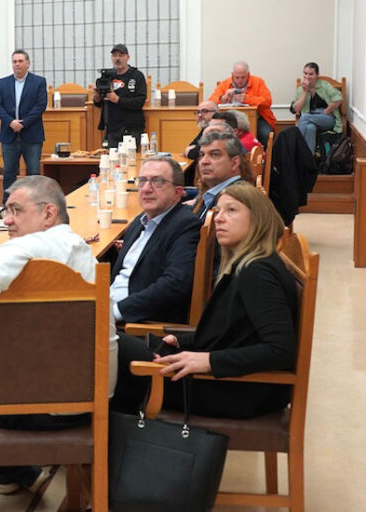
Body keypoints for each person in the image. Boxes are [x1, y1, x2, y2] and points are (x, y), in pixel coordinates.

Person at [0, 175, 118, 495]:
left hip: (39, 407)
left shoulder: (32, 245)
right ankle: (15, 469)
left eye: (16, 210)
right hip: (93, 399)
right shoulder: (80, 249)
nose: (7, 220)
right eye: (6, 211)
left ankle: (5, 470)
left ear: (48, 214)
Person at [113, 181, 297, 419]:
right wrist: (183, 340)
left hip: (231, 389)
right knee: (114, 346)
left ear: (258, 218)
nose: (219, 218)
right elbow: (234, 330)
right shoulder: (251, 263)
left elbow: (281, 350)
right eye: (218, 211)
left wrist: (209, 361)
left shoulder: (257, 272)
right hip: (221, 376)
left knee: (107, 346)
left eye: (231, 210)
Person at [109, 157, 201, 325]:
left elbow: (175, 284)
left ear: (177, 192)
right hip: (108, 306)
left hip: (136, 323)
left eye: (157, 181)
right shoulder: (140, 220)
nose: (146, 189)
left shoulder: (185, 225)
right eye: (142, 180)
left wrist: (114, 313)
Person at [0, 50, 47, 206]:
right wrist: (11, 122)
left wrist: (23, 123)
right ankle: (8, 205)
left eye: (20, 61)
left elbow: (40, 106)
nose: (17, 64)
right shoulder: (3, 83)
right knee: (9, 172)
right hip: (9, 134)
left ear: (28, 63)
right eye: (14, 61)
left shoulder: (38, 82)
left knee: (34, 172)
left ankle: (35, 205)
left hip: (32, 134)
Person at [92, 44, 147, 150]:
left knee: (130, 158)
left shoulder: (137, 76)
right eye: (114, 56)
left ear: (128, 57)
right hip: (112, 128)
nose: (117, 58)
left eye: (121, 55)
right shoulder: (107, 76)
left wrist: (118, 100)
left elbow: (140, 102)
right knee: (110, 158)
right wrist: (97, 96)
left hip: (131, 127)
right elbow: (99, 104)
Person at [209, 61, 275, 146]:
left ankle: (261, 154)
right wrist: (222, 99)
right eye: (237, 77)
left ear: (248, 74)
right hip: (229, 120)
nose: (240, 80)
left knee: (266, 134)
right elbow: (211, 102)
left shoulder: (258, 82)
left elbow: (267, 101)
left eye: (243, 77)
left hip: (256, 118)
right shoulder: (225, 84)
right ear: (232, 75)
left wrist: (247, 99)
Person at [193, 131, 250, 222]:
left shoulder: (234, 200)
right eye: (202, 155)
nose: (204, 161)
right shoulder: (214, 192)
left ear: (234, 163)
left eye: (215, 154)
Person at [290, 61, 343, 154]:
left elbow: (339, 98)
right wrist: (305, 91)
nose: (307, 76)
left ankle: (295, 149)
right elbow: (295, 109)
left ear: (317, 75)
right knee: (310, 128)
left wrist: (327, 110)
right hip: (309, 119)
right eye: (305, 73)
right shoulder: (301, 89)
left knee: (305, 116)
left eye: (311, 74)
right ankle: (309, 159)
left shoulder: (324, 85)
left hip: (327, 119)